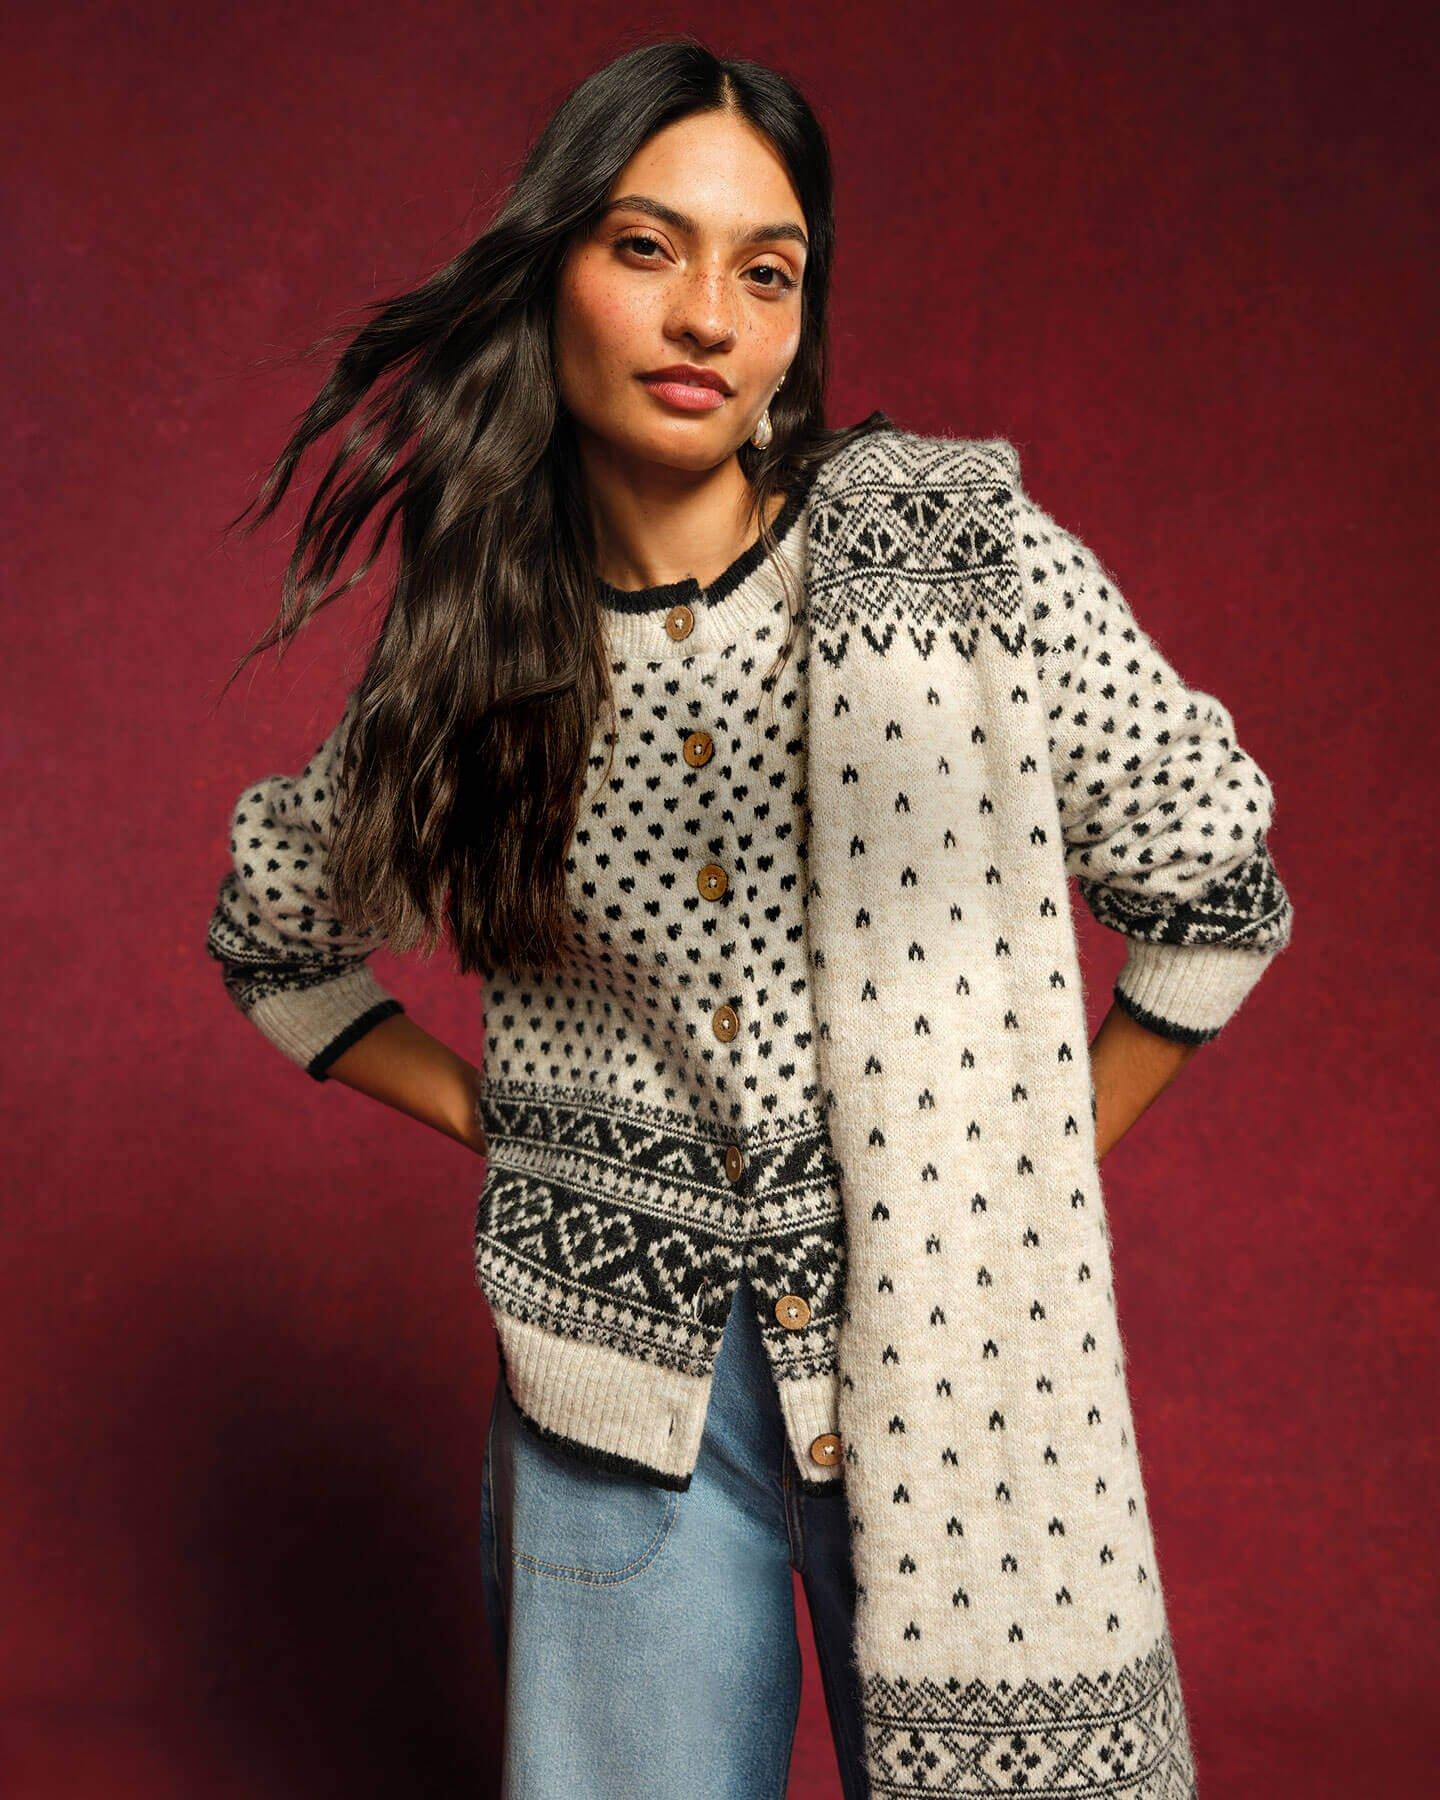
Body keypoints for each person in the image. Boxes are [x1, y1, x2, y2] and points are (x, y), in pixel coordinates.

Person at [205, 37, 1292, 1800]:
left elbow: (1215, 886)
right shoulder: (480, 654)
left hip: (953, 1368)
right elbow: (273, 928)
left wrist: (1017, 1171)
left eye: (764, 270)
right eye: (647, 248)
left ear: (799, 319)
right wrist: (499, 1116)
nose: (708, 312)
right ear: (552, 267)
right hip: (613, 1404)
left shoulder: (954, 560)